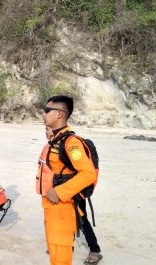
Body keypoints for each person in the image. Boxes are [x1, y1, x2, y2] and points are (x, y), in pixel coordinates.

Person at [40, 95, 97, 265]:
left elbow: (88, 174)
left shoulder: (71, 143)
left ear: (59, 114)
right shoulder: (55, 140)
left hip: (62, 207)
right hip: (51, 206)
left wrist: (59, 192)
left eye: (47, 110)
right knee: (55, 254)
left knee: (61, 257)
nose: (43, 114)